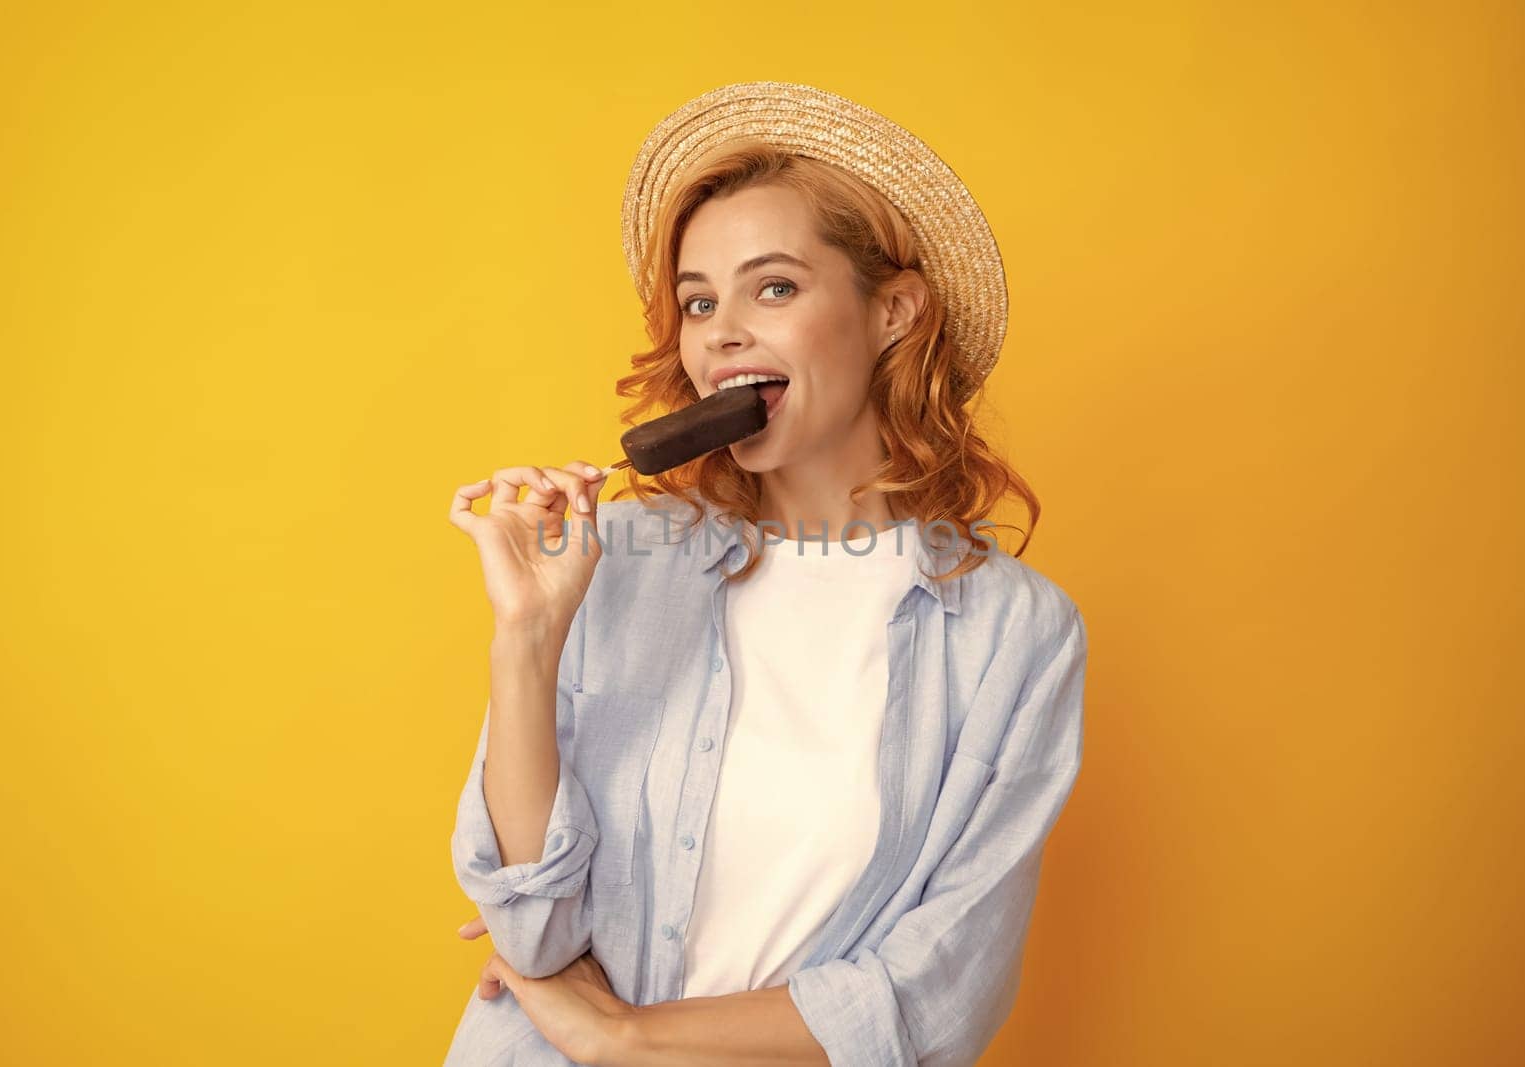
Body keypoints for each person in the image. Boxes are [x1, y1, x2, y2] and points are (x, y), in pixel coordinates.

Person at [442, 81, 1088, 1067]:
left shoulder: (1014, 634)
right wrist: (527, 639)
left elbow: (935, 995)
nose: (720, 333)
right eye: (699, 301)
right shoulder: (617, 561)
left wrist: (623, 1036)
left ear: (894, 314)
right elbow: (533, 933)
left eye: (773, 287)